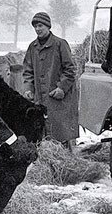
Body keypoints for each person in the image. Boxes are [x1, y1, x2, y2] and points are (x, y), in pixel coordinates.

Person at [22, 12, 79, 149]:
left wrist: (62, 88)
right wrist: (28, 88)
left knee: (61, 135)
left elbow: (70, 69)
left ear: (48, 26)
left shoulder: (60, 44)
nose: (37, 29)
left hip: (58, 99)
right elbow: (27, 70)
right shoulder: (32, 47)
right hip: (39, 99)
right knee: (41, 136)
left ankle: (66, 163)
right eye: (35, 26)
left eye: (40, 25)